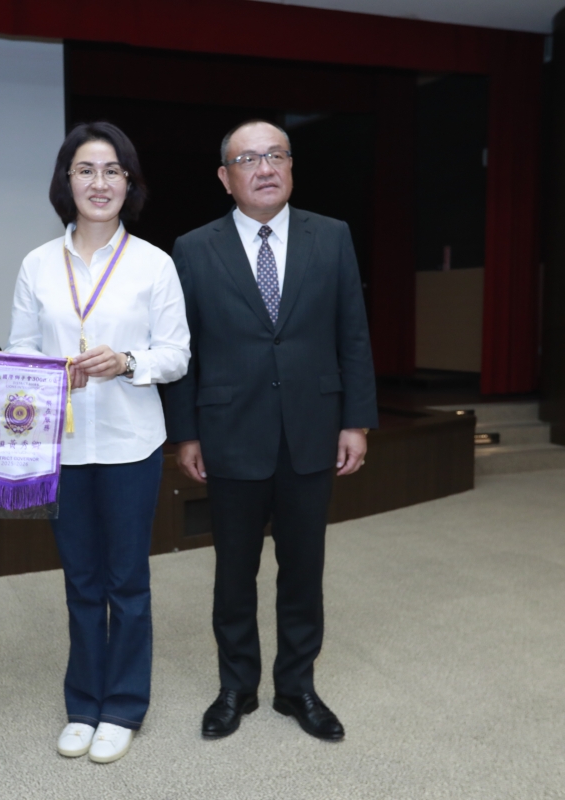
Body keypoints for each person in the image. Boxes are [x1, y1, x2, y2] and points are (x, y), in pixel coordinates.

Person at [165, 120, 378, 742]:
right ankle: (237, 686)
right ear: (224, 177)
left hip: (313, 428)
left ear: (291, 166)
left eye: (276, 155)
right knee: (234, 572)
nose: (265, 168)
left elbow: (353, 334)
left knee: (303, 568)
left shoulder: (331, 236)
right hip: (229, 431)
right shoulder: (192, 248)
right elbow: (184, 349)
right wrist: (186, 433)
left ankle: (297, 686)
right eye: (248, 159)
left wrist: (356, 421)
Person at [7, 122, 190, 763]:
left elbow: (176, 353)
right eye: (86, 170)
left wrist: (128, 362)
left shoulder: (154, 263)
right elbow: (21, 349)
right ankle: (84, 703)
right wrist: (47, 369)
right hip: (62, 446)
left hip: (130, 443)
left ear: (129, 182)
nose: (99, 182)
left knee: (127, 581)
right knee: (81, 580)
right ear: (67, 181)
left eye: (113, 170)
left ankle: (124, 706)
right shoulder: (37, 263)